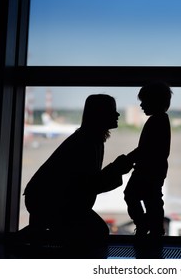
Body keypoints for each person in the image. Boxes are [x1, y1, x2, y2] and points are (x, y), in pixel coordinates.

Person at [22, 94, 133, 245]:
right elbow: (88, 184)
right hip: (49, 201)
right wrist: (117, 169)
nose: (117, 114)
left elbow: (85, 184)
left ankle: (25, 239)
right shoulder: (87, 143)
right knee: (96, 233)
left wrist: (117, 169)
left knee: (94, 232)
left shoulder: (88, 139)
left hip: (44, 198)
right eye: (111, 110)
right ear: (99, 114)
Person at [124, 82, 172, 237]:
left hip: (147, 170)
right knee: (152, 200)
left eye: (144, 102)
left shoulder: (156, 121)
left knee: (132, 195)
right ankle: (154, 229)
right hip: (155, 170)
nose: (142, 106)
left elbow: (145, 149)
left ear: (154, 102)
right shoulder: (161, 120)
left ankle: (145, 225)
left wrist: (128, 159)